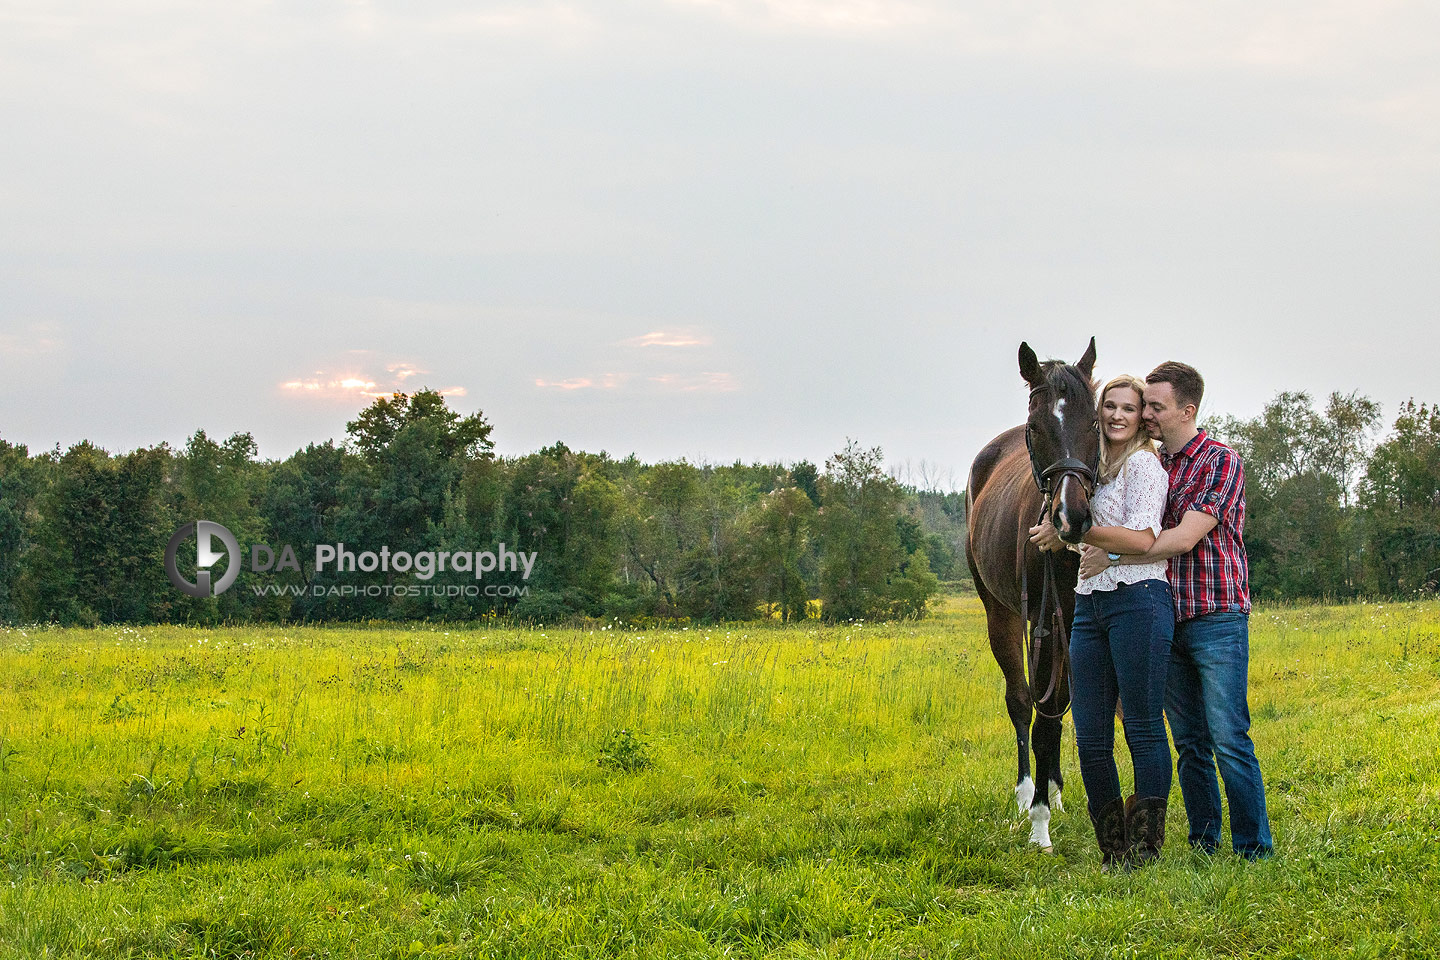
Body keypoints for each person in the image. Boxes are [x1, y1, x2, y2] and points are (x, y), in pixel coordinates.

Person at [1079, 361, 1274, 859]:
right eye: (1144, 405)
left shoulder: (1219, 461)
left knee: (1228, 736)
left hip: (1215, 614)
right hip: (1168, 613)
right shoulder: (1155, 463)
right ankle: (1205, 840)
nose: (1145, 414)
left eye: (1153, 406)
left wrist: (1114, 552)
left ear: (1187, 411)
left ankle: (1253, 847)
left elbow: (1184, 538)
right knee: (1189, 741)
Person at [1029, 374, 1173, 869]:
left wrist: (1084, 533)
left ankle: (1146, 851)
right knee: (1091, 736)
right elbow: (1092, 543)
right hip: (1090, 606)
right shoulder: (1097, 471)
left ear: (1141, 418)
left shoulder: (1144, 467)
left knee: (1143, 728)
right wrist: (1064, 537)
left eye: (1128, 408)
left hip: (1140, 602)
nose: (1116, 415)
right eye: (1108, 406)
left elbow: (1146, 539)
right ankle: (1114, 852)